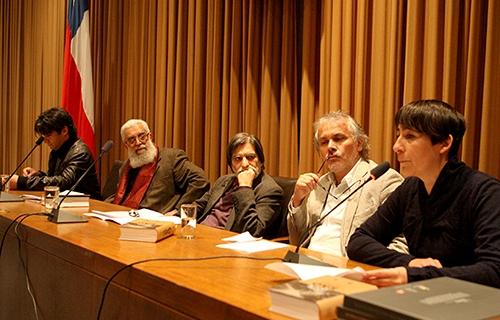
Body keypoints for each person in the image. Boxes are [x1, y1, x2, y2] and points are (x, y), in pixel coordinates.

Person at [347, 100, 500, 288]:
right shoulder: (410, 188)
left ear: (444, 143)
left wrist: (416, 275)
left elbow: (494, 270)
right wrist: (408, 263)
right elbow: (358, 241)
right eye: (398, 135)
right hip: (424, 294)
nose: (396, 146)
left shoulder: (484, 192)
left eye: (409, 136)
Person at [287, 111, 405, 257]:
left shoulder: (385, 180)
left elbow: (401, 242)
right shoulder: (319, 184)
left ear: (359, 144)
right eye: (324, 142)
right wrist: (297, 200)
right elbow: (296, 239)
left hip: (350, 267)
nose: (330, 146)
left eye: (338, 139)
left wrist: (368, 270)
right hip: (307, 261)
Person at [107, 119, 209, 213]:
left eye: (142, 136)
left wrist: (179, 210)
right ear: (126, 145)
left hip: (155, 220)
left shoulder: (172, 158)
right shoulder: (126, 167)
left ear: (150, 136)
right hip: (125, 215)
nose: (138, 142)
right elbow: (119, 197)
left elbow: (200, 181)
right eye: (132, 140)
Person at [194, 132, 283, 238]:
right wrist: (174, 218)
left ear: (260, 160)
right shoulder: (224, 181)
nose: (245, 164)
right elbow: (199, 205)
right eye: (238, 158)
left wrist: (245, 187)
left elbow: (253, 231)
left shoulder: (270, 190)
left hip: (224, 244)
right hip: (198, 234)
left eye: (250, 157)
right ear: (231, 164)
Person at [4, 107, 100, 199]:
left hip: (89, 206)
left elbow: (63, 183)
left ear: (64, 131)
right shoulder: (56, 150)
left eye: (48, 136)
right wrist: (39, 175)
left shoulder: (80, 152)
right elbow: (54, 179)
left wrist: (22, 182)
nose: (45, 141)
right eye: (43, 137)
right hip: (65, 204)